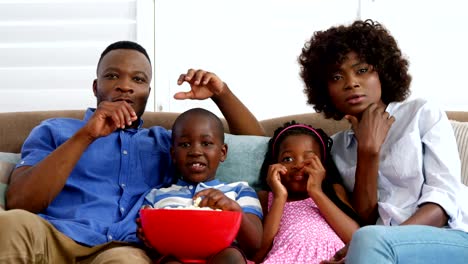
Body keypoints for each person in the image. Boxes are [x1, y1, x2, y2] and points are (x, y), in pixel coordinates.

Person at [1, 40, 265, 263]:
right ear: (96, 87)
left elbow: (257, 147)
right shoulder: (54, 130)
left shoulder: (168, 143)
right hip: (51, 234)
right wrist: (86, 135)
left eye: (138, 79)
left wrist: (221, 93)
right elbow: (20, 201)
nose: (125, 86)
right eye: (112, 76)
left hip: (122, 249)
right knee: (9, 225)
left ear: (148, 92)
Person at [298, 19, 468, 263]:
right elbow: (365, 217)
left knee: (366, 240)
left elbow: (443, 204)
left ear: (382, 72)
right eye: (337, 77)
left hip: (453, 235)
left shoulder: (421, 114)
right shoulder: (336, 149)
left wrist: (380, 241)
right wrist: (368, 151)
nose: (351, 83)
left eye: (362, 70)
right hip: (386, 248)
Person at [140, 107, 263, 263]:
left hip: (224, 257)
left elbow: (255, 245)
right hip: (176, 257)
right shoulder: (156, 196)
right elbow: (150, 243)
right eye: (185, 145)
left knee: (231, 256)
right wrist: (146, 234)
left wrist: (233, 209)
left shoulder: (240, 190)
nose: (195, 151)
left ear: (222, 152)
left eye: (206, 143)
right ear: (173, 155)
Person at [251, 121, 361, 264]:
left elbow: (357, 239)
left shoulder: (333, 192)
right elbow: (258, 253)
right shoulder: (267, 197)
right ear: (274, 164)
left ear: (323, 165)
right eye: (288, 159)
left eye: (309, 159)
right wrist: (280, 198)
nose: (298, 165)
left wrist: (316, 192)